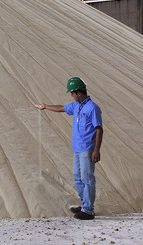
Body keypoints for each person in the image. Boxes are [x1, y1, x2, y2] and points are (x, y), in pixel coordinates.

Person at [35, 77, 103, 220]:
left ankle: (88, 210)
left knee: (87, 178)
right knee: (77, 177)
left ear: (79, 93)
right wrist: (45, 106)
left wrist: (96, 150)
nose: (71, 95)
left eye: (72, 93)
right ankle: (85, 204)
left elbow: (99, 129)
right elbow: (61, 108)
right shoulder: (76, 106)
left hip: (87, 148)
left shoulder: (92, 108)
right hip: (77, 149)